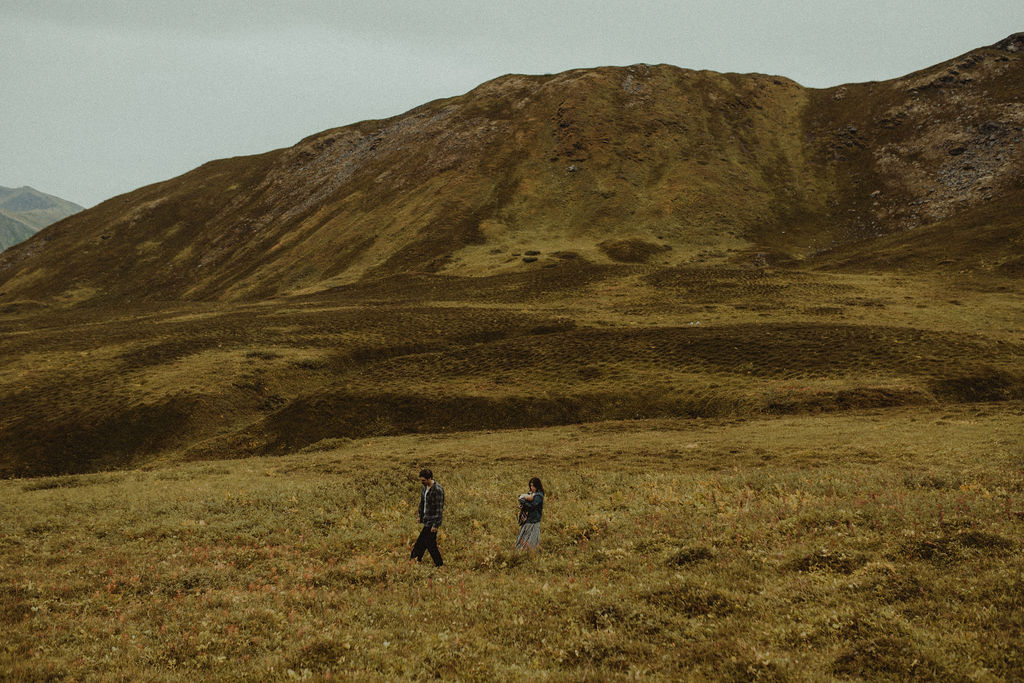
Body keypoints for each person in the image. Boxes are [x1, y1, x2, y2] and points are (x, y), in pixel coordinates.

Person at [411, 468, 444, 567]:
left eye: (423, 480)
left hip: (432, 520)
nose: (422, 482)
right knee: (427, 542)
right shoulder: (424, 488)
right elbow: (422, 503)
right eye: (421, 480)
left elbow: (439, 509)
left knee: (427, 543)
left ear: (429, 478)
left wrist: (435, 525)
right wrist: (420, 516)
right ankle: (417, 559)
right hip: (426, 519)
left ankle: (416, 559)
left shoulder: (438, 490)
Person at [516, 477, 544, 551]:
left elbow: (532, 505)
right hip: (528, 518)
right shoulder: (531, 493)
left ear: (537, 486)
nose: (532, 488)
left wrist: (523, 501)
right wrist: (522, 506)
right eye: (531, 486)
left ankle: (530, 551)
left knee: (532, 536)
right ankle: (523, 551)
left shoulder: (539, 495)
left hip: (534, 519)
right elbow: (528, 505)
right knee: (525, 534)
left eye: (533, 486)